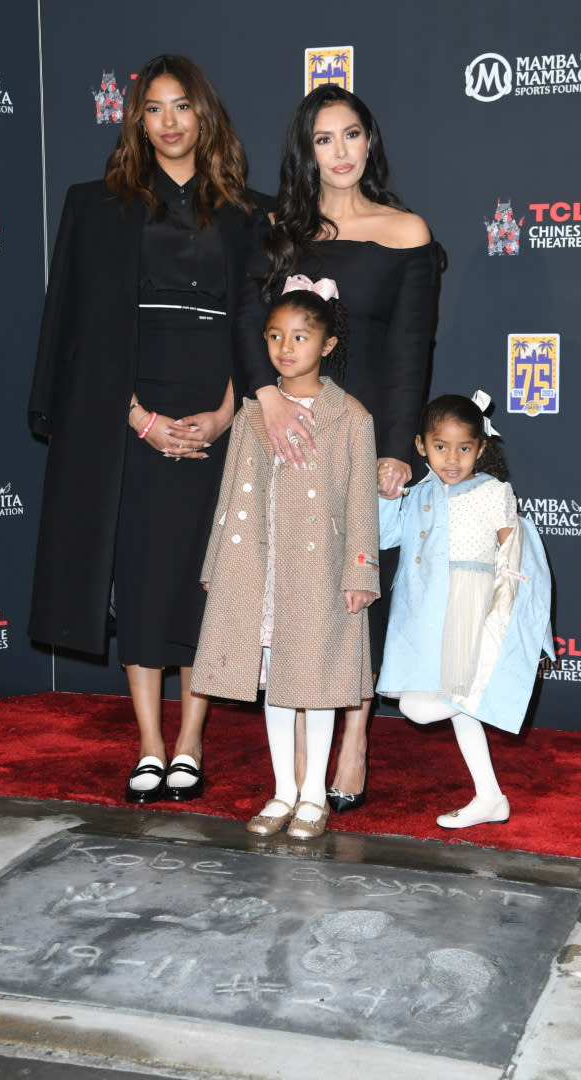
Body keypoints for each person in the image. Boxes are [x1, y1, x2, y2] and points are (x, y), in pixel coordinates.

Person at [28, 55, 268, 805]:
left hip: (215, 411)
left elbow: (256, 326)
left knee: (202, 583)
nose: (169, 121)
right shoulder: (94, 205)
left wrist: (230, 413)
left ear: (205, 115)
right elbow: (79, 332)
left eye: (182, 106)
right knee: (140, 580)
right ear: (137, 120)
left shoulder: (248, 212)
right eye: (154, 108)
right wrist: (139, 420)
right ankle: (150, 745)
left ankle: (192, 744)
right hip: (130, 418)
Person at [235, 83, 440, 811]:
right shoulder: (279, 233)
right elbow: (248, 329)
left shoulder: (405, 232)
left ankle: (354, 737)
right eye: (325, 139)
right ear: (307, 151)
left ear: (369, 142)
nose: (341, 151)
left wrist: (398, 450)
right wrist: (263, 399)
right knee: (291, 594)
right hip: (287, 438)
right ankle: (296, 760)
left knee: (355, 597)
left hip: (363, 441)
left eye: (351, 135)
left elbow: (411, 349)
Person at [191, 283, 379, 839]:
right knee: (273, 684)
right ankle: (281, 792)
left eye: (300, 336)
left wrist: (361, 572)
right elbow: (231, 491)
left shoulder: (351, 417)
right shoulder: (254, 409)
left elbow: (361, 503)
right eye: (275, 336)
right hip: (259, 565)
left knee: (315, 683)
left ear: (327, 343)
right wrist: (214, 564)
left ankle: (314, 796)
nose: (285, 347)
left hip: (319, 573)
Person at [376, 392, 554, 828]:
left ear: (481, 448)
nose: (452, 458)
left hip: (469, 615)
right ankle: (490, 796)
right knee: (443, 706)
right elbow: (384, 539)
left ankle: (489, 783)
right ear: (421, 446)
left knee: (429, 706)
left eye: (464, 448)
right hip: (422, 616)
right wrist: (385, 496)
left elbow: (515, 557)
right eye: (440, 447)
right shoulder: (417, 493)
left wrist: (513, 624)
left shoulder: (493, 491)